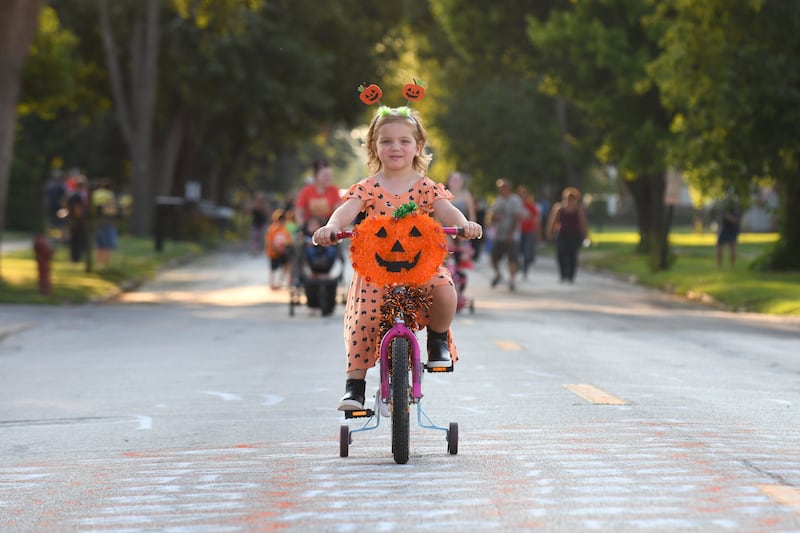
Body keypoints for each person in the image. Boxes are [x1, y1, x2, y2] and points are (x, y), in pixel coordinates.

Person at [313, 105, 482, 411]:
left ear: (418, 146)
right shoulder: (367, 187)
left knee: (445, 289)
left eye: (404, 141)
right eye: (386, 140)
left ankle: (438, 340)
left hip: (420, 266)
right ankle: (355, 385)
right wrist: (332, 227)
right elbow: (346, 211)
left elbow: (447, 211)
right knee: (363, 318)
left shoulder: (427, 188)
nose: (395, 147)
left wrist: (465, 224)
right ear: (373, 146)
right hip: (376, 269)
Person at [487, 179, 525, 291]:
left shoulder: (515, 200)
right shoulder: (498, 201)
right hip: (499, 235)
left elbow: (517, 217)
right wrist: (494, 218)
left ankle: (512, 280)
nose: (501, 190)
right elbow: (491, 216)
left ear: (508, 188)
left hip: (512, 236)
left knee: (512, 259)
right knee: (494, 257)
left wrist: (511, 234)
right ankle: (498, 274)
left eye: (503, 188)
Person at [546, 187, 589, 283]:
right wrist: (550, 233)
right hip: (563, 234)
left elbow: (583, 223)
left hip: (574, 235)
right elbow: (553, 222)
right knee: (560, 253)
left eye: (571, 198)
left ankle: (571, 275)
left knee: (572, 255)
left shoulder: (578, 210)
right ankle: (563, 274)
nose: (569, 200)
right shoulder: (559, 208)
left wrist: (586, 235)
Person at [294, 159, 342, 230]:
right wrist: (303, 227)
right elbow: (298, 211)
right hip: (310, 227)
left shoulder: (334, 190)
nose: (328, 178)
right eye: (325, 175)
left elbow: (338, 210)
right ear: (316, 176)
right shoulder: (307, 190)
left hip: (328, 226)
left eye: (329, 175)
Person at [91, 179, 119, 268]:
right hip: (107, 221)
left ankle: (98, 263)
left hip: (96, 221)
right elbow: (111, 210)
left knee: (100, 245)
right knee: (107, 245)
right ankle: (103, 264)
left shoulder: (95, 194)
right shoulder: (109, 195)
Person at [517, 185, 541, 279]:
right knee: (518, 251)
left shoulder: (531, 206)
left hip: (529, 231)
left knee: (527, 251)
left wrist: (538, 233)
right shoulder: (517, 206)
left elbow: (536, 220)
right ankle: (518, 266)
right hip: (518, 232)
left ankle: (525, 269)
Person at [265, 209, 293, 290]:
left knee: (287, 265)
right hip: (274, 252)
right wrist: (274, 248)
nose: (281, 222)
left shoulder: (285, 229)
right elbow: (269, 241)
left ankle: (280, 282)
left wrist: (286, 247)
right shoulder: (272, 229)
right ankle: (272, 283)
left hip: (282, 252)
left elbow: (288, 240)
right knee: (273, 268)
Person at [66, 175, 89, 263]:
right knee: (78, 240)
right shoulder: (79, 196)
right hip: (77, 221)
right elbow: (77, 209)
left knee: (74, 240)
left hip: (72, 220)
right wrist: (81, 218)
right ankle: (76, 259)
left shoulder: (72, 195)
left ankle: (74, 258)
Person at [716, 189, 741, 268]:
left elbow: (736, 219)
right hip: (724, 228)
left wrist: (728, 217)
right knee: (719, 246)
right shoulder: (723, 205)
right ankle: (719, 265)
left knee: (732, 247)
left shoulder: (734, 205)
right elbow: (720, 216)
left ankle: (732, 266)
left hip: (732, 229)